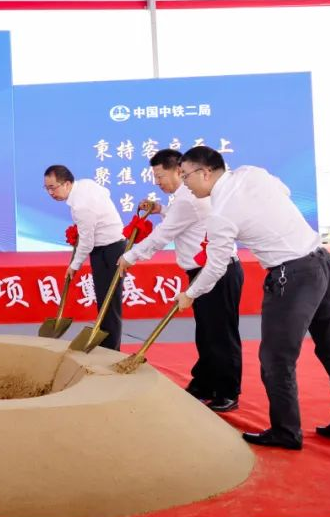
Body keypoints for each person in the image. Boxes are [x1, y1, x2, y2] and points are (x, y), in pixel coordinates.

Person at [175, 146, 330, 449]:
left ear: (205, 173)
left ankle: (286, 432)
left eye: (185, 176)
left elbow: (216, 266)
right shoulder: (252, 173)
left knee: (276, 358)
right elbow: (284, 191)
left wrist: (190, 294)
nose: (185, 184)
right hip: (323, 263)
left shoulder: (220, 214)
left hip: (292, 276)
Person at [118, 149, 243, 412]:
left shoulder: (187, 198)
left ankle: (227, 392)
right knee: (206, 333)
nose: (157, 182)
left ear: (179, 171)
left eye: (160, 176)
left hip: (216, 272)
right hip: (204, 271)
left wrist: (130, 256)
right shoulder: (184, 198)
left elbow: (162, 235)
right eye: (154, 177)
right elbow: (185, 219)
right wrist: (161, 209)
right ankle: (204, 384)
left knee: (220, 334)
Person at [44, 165, 125, 349]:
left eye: (53, 188)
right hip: (105, 247)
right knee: (104, 302)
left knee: (109, 304)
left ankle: (112, 350)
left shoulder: (81, 205)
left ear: (67, 184)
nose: (50, 193)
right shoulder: (85, 185)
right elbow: (105, 193)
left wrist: (74, 265)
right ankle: (106, 346)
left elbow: (87, 242)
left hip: (110, 250)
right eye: (47, 188)